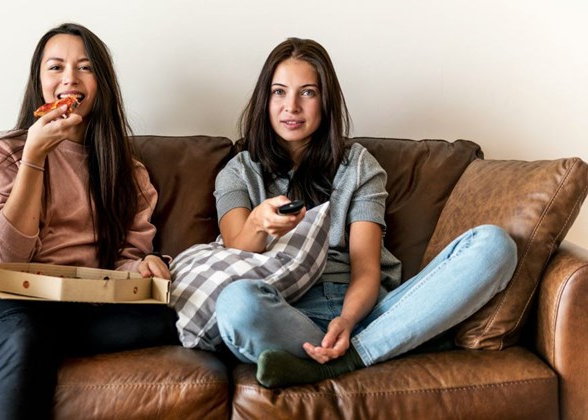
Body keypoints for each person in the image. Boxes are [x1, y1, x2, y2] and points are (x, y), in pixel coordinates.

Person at [212, 37, 517, 388]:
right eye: (279, 92)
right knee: (236, 303)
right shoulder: (237, 172)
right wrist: (258, 222)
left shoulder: (357, 166)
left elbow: (366, 268)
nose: (291, 106)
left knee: (495, 245)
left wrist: (346, 320)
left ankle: (350, 355)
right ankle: (394, 342)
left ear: (326, 101)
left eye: (307, 93)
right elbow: (236, 245)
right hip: (287, 311)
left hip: (364, 312)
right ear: (264, 100)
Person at [0, 23, 177, 418]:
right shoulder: (2, 155)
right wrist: (34, 158)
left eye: (85, 68)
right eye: (56, 67)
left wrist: (143, 268)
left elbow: (123, 262)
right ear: (39, 82)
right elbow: (3, 257)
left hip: (75, 303)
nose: (70, 79)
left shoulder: (128, 173)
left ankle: (6, 350)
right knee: (25, 334)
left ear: (101, 84)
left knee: (172, 321)